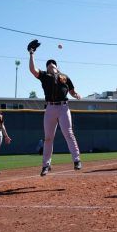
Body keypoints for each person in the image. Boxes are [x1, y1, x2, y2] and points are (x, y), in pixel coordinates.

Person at [29, 46, 82, 176]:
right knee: (48, 138)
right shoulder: (45, 76)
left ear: (57, 67)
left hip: (63, 108)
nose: (51, 64)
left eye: (53, 63)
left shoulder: (64, 77)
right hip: (50, 108)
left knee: (68, 133)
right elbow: (32, 70)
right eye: (49, 64)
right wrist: (31, 54)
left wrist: (76, 95)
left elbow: (72, 91)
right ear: (47, 68)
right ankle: (46, 165)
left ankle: (76, 160)